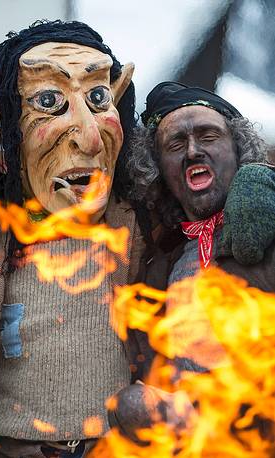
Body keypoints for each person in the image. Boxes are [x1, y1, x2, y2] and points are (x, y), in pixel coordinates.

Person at [0, 19, 143, 458]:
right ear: (0, 117)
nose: (87, 137)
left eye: (98, 97)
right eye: (49, 101)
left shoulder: (136, 229)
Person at [108, 81, 275, 442]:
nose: (193, 151)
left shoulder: (266, 231)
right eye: (175, 144)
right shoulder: (160, 261)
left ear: (237, 149)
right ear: (157, 168)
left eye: (208, 135)